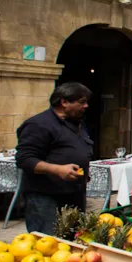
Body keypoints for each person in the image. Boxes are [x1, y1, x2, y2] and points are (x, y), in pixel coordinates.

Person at [15, 82, 94, 233]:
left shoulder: (76, 123)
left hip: (74, 194)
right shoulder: (39, 124)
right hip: (46, 197)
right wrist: (57, 169)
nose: (86, 106)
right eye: (82, 102)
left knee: (72, 241)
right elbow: (24, 159)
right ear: (64, 102)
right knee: (48, 242)